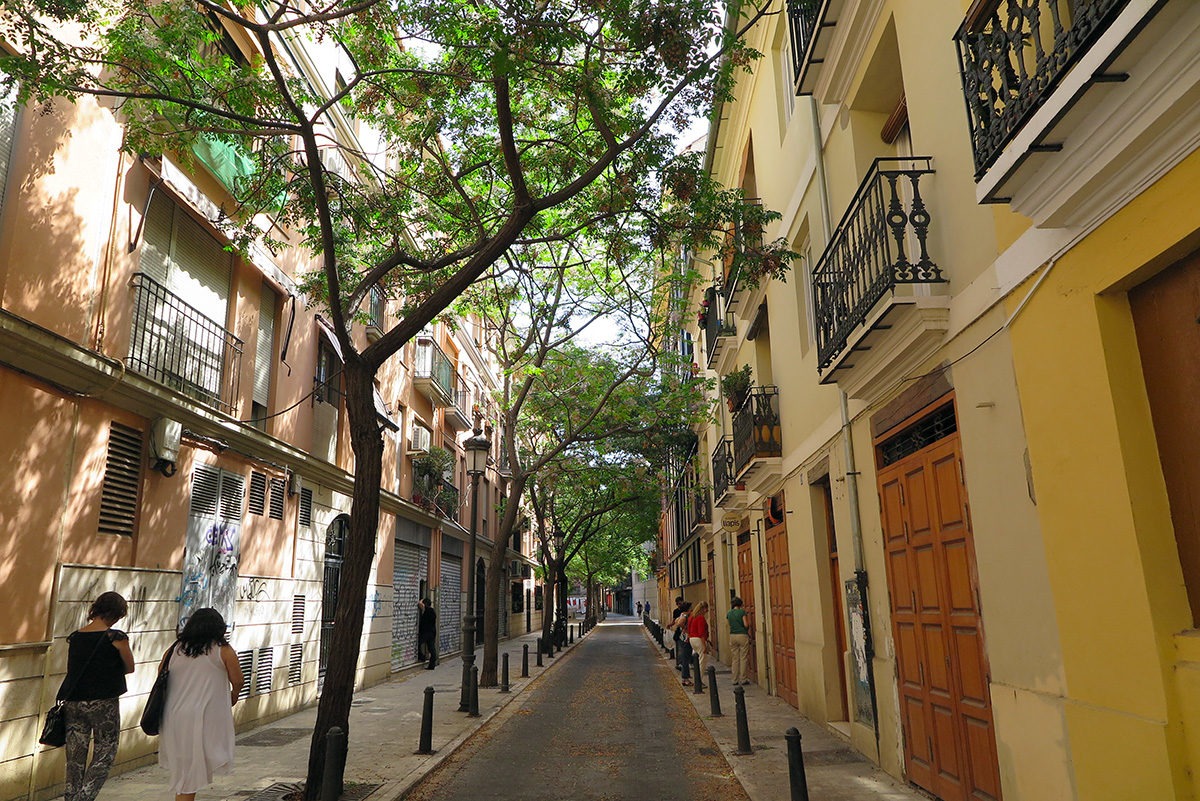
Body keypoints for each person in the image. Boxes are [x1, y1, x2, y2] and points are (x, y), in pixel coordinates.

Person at [159, 608, 244, 801]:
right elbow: (238, 680)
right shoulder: (223, 650)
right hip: (203, 717)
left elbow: (161, 676)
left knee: (185, 768)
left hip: (174, 715)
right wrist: (233, 695)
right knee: (190, 773)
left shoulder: (174, 649)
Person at [59, 591, 135, 801]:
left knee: (75, 756)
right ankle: (84, 797)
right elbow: (130, 667)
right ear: (117, 613)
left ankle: (71, 797)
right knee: (105, 751)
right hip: (104, 703)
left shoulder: (75, 637)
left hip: (74, 701)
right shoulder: (116, 637)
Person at [727, 597, 752, 686]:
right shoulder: (742, 612)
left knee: (735, 658)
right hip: (742, 635)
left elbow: (729, 624)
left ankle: (734, 679)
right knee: (743, 657)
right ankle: (743, 678)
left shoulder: (729, 613)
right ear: (740, 604)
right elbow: (746, 624)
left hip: (732, 635)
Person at [687, 601, 711, 678]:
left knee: (696, 659)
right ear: (703, 609)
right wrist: (705, 646)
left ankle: (697, 678)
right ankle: (699, 679)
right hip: (698, 639)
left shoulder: (691, 617)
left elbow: (688, 629)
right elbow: (701, 633)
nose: (707, 610)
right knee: (702, 659)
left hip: (692, 639)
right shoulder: (700, 618)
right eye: (706, 608)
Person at [672, 602, 693, 686]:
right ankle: (685, 678)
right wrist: (684, 628)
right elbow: (679, 623)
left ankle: (686, 677)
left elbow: (677, 621)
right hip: (685, 638)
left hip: (682, 638)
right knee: (685, 658)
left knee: (686, 658)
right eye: (691, 607)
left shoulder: (681, 614)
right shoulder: (685, 616)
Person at [417, 597, 438, 669]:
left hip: (426, 633)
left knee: (418, 644)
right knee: (431, 649)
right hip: (431, 633)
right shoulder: (432, 611)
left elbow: (420, 604)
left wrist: (421, 600)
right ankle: (432, 665)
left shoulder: (428, 610)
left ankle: (422, 657)